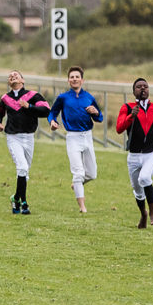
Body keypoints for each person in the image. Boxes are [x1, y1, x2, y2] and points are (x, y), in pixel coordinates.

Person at [0, 70, 49, 215]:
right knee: (22, 167)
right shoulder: (6, 98)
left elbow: (46, 110)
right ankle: (24, 203)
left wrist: (29, 107)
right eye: (10, 76)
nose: (12, 77)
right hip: (13, 137)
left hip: (29, 137)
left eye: (16, 75)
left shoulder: (33, 95)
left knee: (24, 172)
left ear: (23, 80)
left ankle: (15, 198)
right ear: (9, 82)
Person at [49, 66, 104, 214]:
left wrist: (96, 112)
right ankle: (82, 207)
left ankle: (77, 184)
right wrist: (52, 122)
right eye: (71, 77)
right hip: (73, 137)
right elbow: (52, 113)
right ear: (68, 80)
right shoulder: (63, 98)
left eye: (77, 77)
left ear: (82, 80)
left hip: (87, 136)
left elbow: (100, 118)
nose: (74, 79)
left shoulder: (89, 97)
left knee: (92, 174)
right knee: (78, 172)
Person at [115, 77, 153, 229]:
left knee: (145, 178)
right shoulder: (127, 107)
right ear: (134, 91)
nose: (143, 89)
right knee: (137, 191)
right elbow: (119, 128)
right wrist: (132, 116)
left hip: (151, 153)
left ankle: (152, 212)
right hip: (133, 156)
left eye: (145, 86)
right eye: (139, 87)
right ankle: (143, 213)